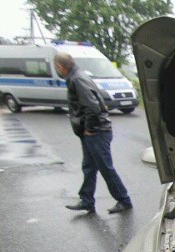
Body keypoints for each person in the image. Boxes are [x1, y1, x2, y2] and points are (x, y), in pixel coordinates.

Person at [55, 52, 133, 214]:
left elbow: (92, 106)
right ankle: (86, 200)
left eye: (57, 67)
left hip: (97, 132)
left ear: (61, 67)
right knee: (89, 167)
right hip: (93, 132)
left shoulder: (77, 79)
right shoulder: (78, 76)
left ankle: (123, 200)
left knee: (105, 168)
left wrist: (90, 128)